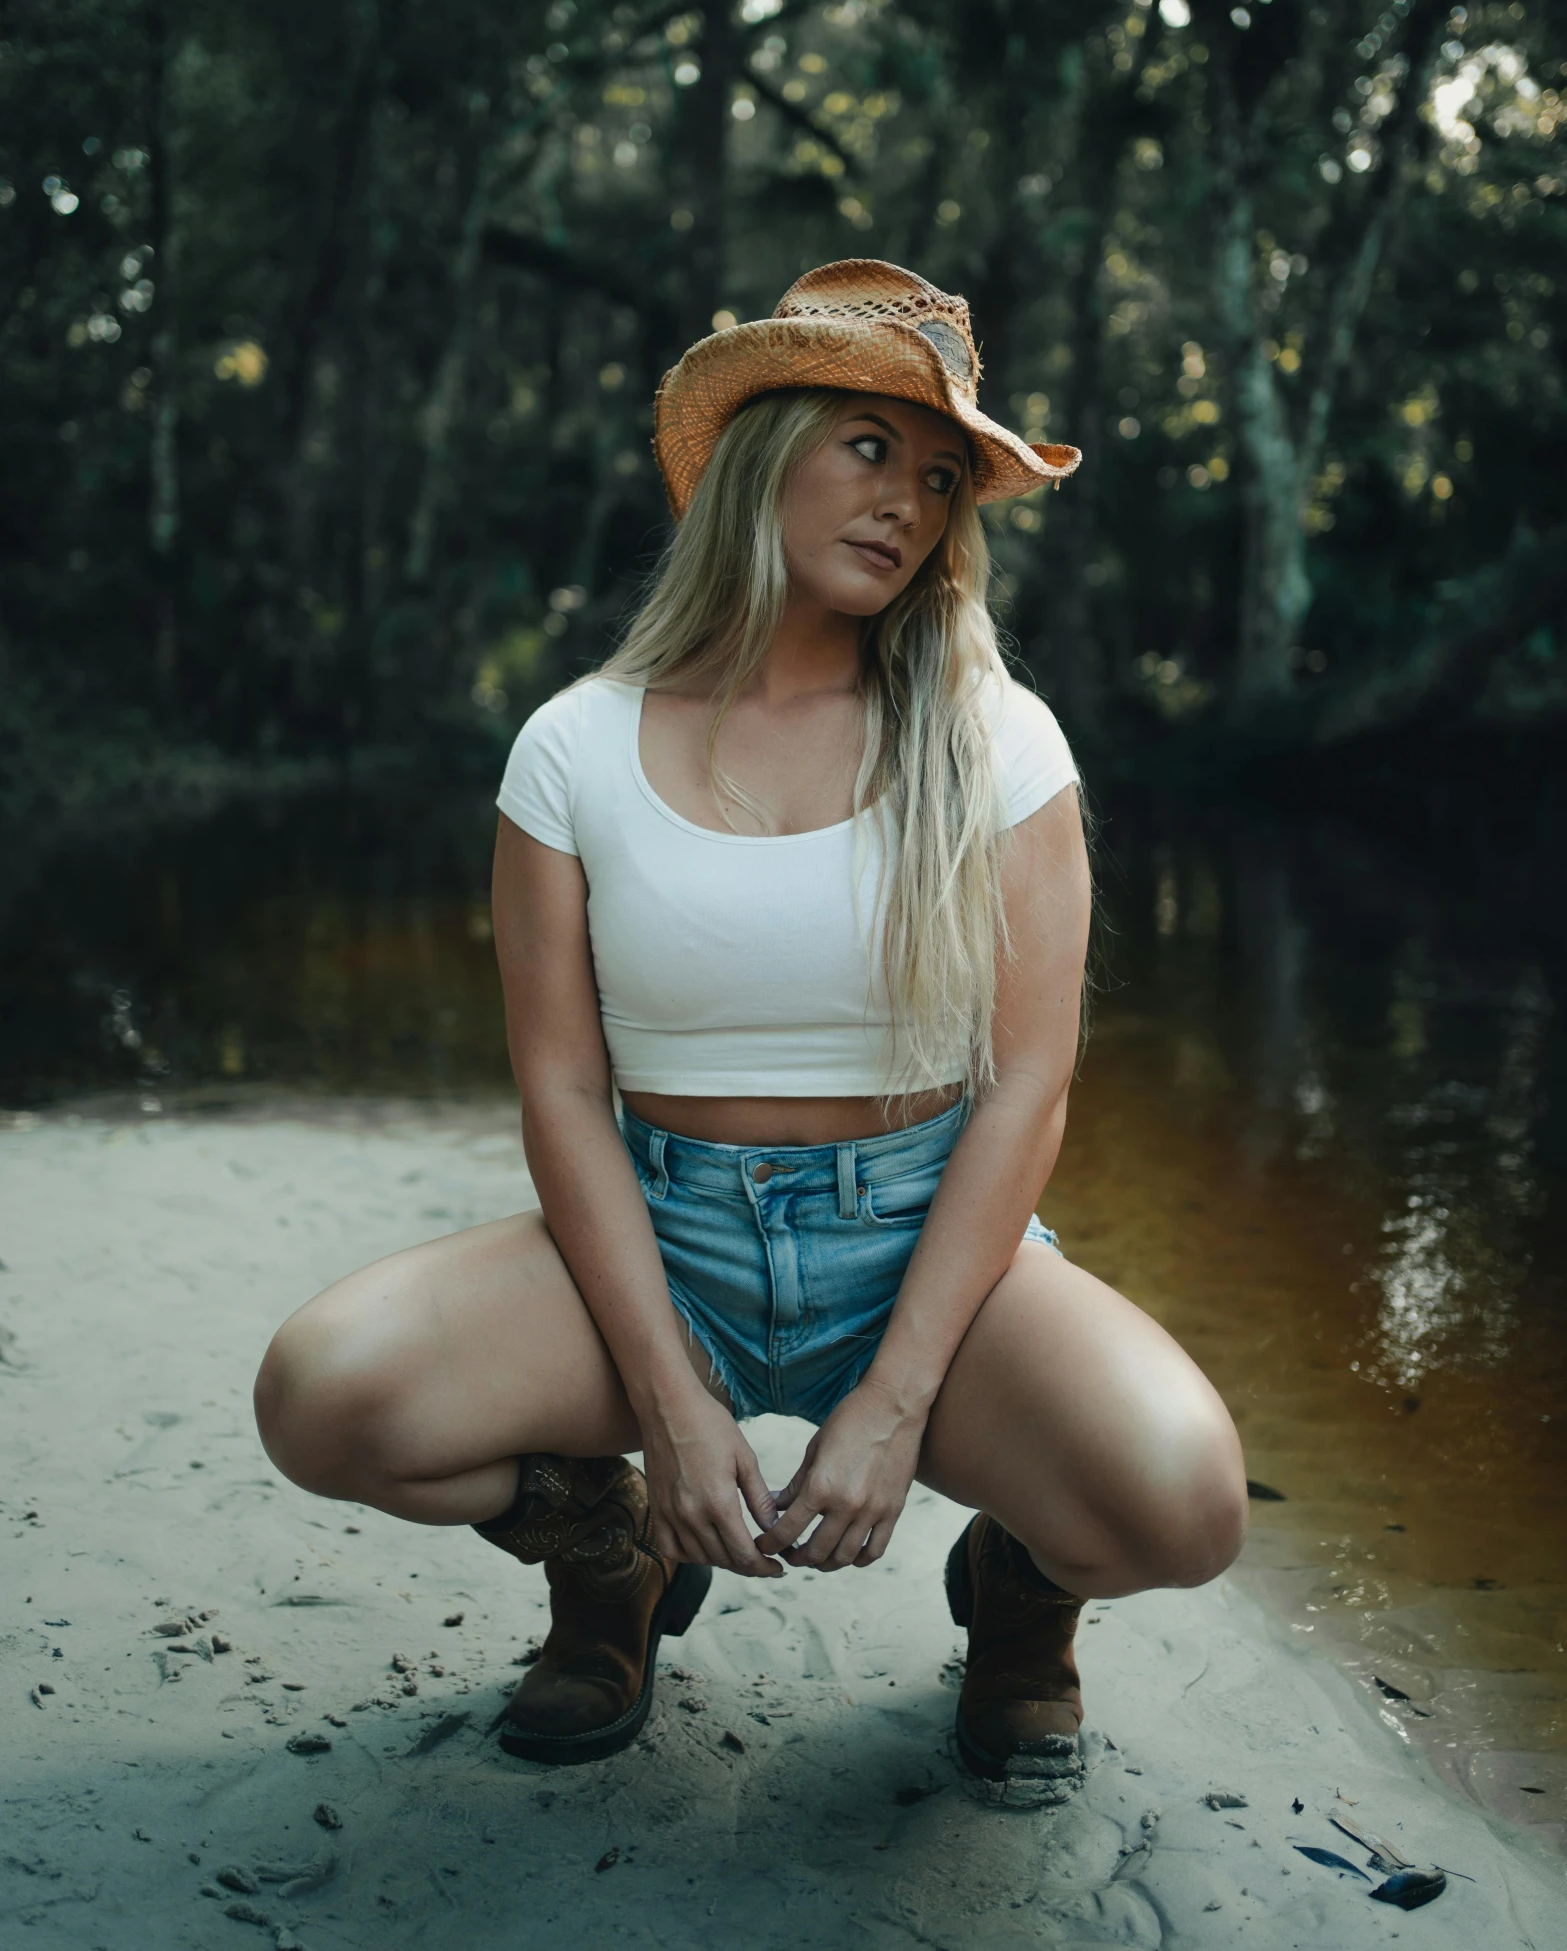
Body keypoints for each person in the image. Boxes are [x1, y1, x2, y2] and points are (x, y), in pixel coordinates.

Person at [254, 259, 1247, 1792]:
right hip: (663, 1229)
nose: (905, 500)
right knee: (327, 1396)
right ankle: (613, 1564)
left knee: (1181, 1503)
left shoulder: (995, 737)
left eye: (934, 474)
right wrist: (664, 1404)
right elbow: (565, 1091)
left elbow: (1029, 1079)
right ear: (756, 453)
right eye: (865, 444)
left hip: (921, 1232)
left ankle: (1015, 1597)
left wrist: (896, 1398)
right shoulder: (571, 744)